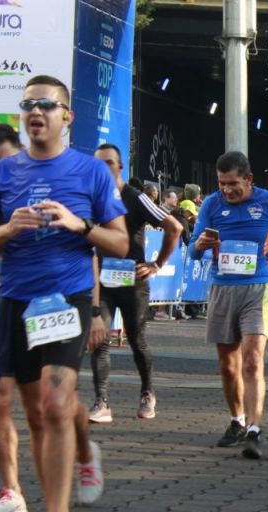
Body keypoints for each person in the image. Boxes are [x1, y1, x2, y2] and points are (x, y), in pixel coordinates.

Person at [0, 74, 129, 512]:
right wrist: (6, 229)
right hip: (17, 305)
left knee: (58, 403)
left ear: (66, 116)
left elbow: (121, 245)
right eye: (28, 105)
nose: (36, 112)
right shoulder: (3, 174)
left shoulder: (90, 172)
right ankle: (78, 458)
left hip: (66, 301)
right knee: (39, 414)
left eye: (46, 104)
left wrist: (78, 225)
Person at [0, 125, 106, 512]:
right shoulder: (0, 186)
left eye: (3, 161)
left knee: (52, 407)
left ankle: (84, 452)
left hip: (60, 302)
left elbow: (95, 250)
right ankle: (13, 492)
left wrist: (96, 309)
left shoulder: (69, 178)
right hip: (8, 301)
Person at [188, 151, 268, 459]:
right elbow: (192, 250)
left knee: (253, 361)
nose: (227, 190)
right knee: (228, 366)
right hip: (222, 289)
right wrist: (200, 246)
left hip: (257, 288)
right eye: (221, 184)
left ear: (249, 179)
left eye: (233, 184)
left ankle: (255, 428)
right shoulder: (211, 204)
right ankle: (237, 420)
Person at [89, 144, 183, 422]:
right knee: (100, 340)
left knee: (137, 340)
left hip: (133, 283)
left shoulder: (135, 197)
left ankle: (147, 392)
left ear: (120, 167)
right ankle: (101, 401)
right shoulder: (91, 197)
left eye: (108, 163)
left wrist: (157, 264)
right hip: (103, 283)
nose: (102, 169)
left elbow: (174, 227)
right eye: (97, 164)